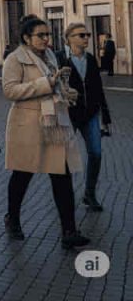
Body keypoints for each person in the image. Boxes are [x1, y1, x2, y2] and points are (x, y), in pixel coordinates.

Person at [2, 15, 90, 250]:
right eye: (40, 35)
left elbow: (56, 84)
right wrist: (47, 84)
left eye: (48, 34)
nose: (46, 39)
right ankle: (13, 218)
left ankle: (69, 230)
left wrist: (67, 92)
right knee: (22, 175)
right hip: (28, 124)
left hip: (54, 124)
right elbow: (9, 90)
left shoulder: (51, 56)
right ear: (26, 38)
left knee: (62, 175)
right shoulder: (14, 59)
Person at [56, 23, 108, 212]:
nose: (86, 38)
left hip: (91, 113)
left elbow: (98, 89)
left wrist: (105, 116)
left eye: (87, 34)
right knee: (65, 158)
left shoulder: (91, 59)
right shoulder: (59, 58)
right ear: (69, 38)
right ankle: (64, 196)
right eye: (81, 35)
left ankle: (89, 194)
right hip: (69, 114)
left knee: (96, 153)